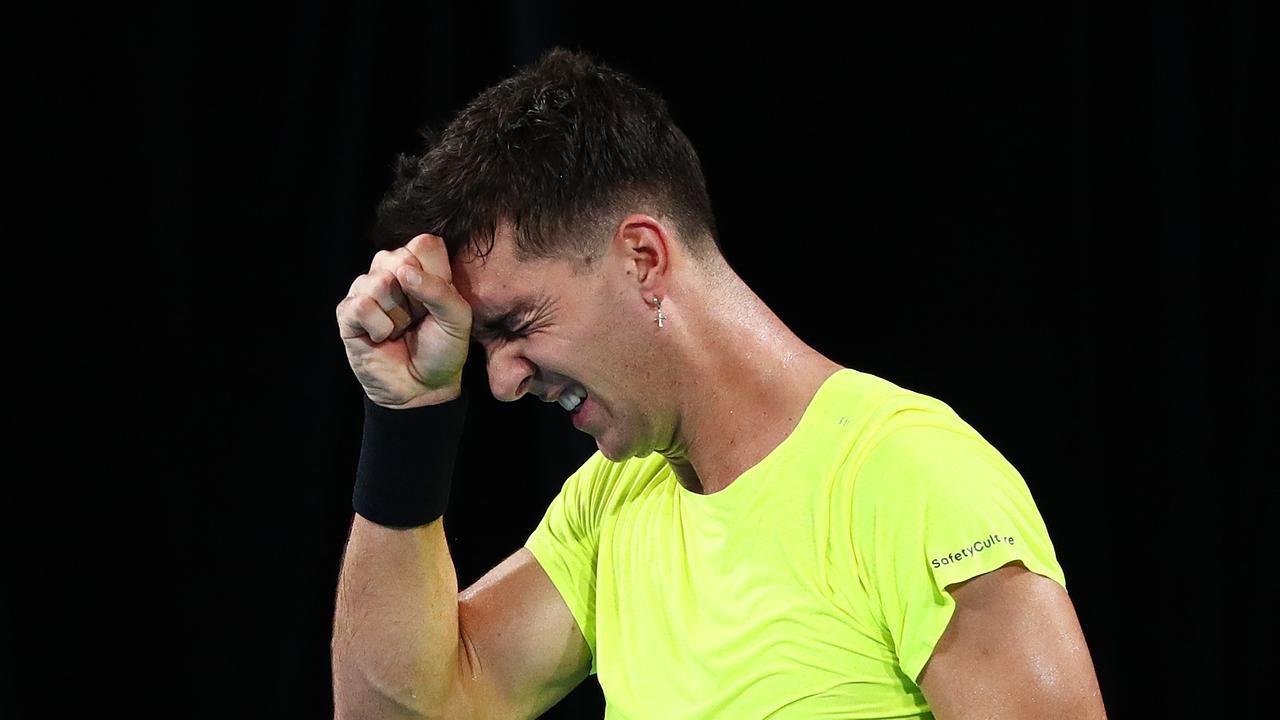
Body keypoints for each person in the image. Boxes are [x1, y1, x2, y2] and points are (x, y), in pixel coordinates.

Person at [331, 47, 1107, 719]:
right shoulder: (612, 500)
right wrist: (407, 419)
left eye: (518, 325)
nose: (500, 381)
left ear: (642, 258)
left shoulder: (912, 478)